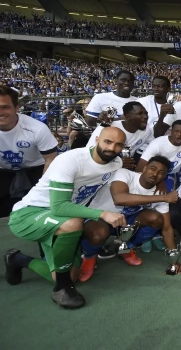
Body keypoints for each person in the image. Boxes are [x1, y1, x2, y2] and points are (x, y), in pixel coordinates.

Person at [4, 127, 127, 309]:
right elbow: (59, 206)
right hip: (29, 213)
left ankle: (18, 259)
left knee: (72, 275)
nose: (112, 148)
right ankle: (61, 289)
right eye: (108, 142)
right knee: (73, 223)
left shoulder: (116, 163)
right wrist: (103, 214)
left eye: (118, 145)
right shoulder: (71, 160)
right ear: (97, 140)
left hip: (59, 218)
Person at [79, 156, 180, 281]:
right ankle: (89, 257)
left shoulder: (160, 193)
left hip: (126, 222)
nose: (155, 174)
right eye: (152, 169)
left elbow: (167, 228)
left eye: (161, 173)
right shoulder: (125, 174)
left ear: (164, 177)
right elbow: (119, 199)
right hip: (100, 218)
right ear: (144, 168)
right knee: (98, 234)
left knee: (157, 219)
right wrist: (163, 198)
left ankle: (125, 247)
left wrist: (174, 260)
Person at [0, 86, 58, 219]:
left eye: (5, 107)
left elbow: (51, 160)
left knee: (36, 212)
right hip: (3, 172)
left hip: (36, 171)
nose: (0, 112)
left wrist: (43, 189)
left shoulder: (37, 129)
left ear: (16, 108)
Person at [86, 101, 151, 170]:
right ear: (128, 116)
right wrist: (117, 164)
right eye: (140, 113)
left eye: (146, 113)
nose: (145, 116)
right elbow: (89, 155)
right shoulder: (107, 128)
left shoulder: (147, 132)